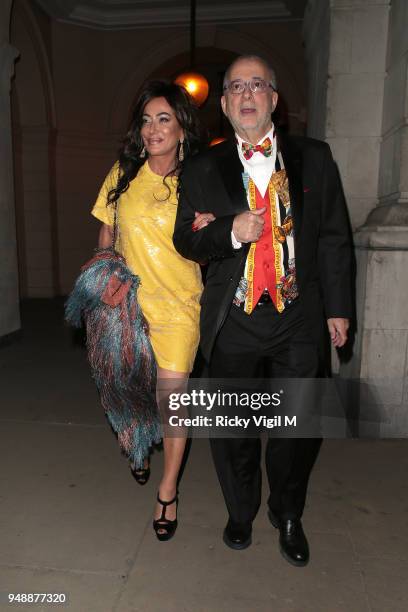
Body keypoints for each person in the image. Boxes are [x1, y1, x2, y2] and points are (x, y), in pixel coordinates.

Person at [173, 55, 352, 566]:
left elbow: (336, 236)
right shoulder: (204, 167)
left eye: (258, 85)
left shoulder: (315, 158)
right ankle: (241, 509)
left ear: (274, 99)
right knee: (235, 428)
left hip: (298, 313)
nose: (247, 94)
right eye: (236, 87)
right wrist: (229, 230)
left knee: (297, 425)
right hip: (236, 317)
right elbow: (185, 237)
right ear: (226, 104)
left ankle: (287, 511)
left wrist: (338, 308)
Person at [91, 80, 206, 541]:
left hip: (179, 308)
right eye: (146, 120)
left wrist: (210, 227)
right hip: (128, 308)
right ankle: (138, 446)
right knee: (132, 394)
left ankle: (167, 490)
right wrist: (106, 281)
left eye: (164, 119)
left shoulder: (199, 180)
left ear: (181, 129)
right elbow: (106, 236)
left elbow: (211, 248)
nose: (153, 129)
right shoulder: (122, 174)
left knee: (174, 404)